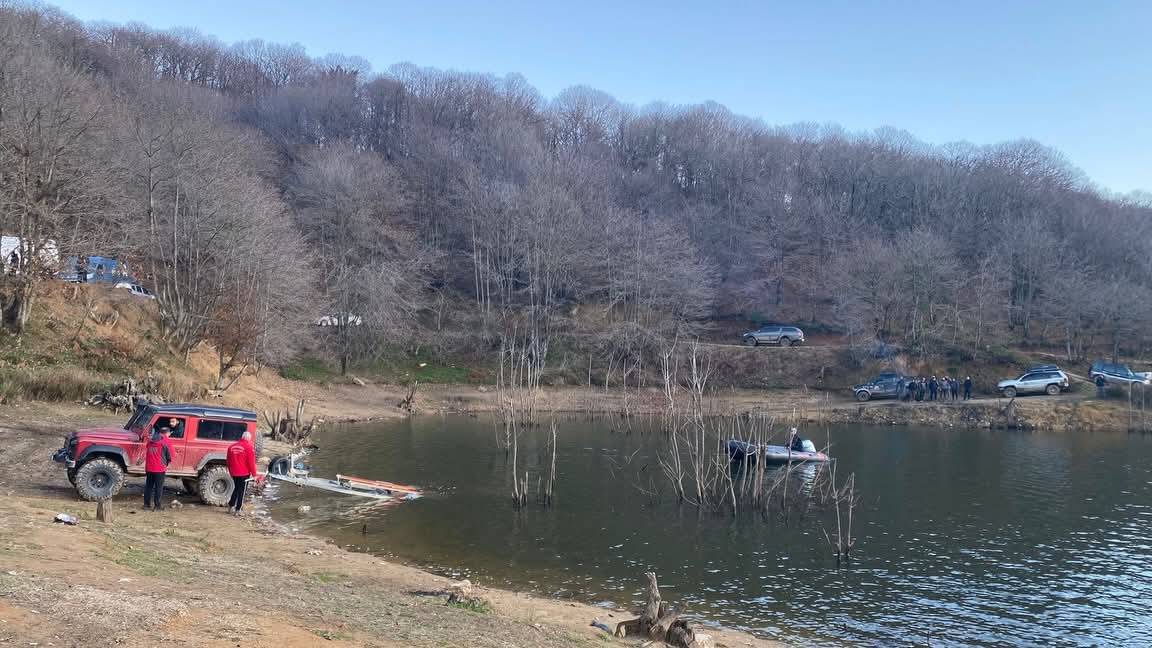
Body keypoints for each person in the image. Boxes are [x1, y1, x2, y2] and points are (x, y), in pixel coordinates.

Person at [226, 431, 259, 515]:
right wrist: (254, 475)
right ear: (248, 438)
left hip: (234, 473)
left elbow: (228, 461)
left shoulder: (231, 447)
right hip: (244, 474)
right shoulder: (249, 447)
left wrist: (230, 472)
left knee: (236, 488)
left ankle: (231, 506)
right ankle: (238, 510)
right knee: (242, 491)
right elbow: (251, 463)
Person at [143, 426, 173, 511]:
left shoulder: (150, 441)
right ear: (167, 433)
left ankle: (146, 505)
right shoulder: (166, 441)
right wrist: (167, 463)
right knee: (158, 488)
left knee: (148, 486)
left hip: (149, 467)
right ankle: (157, 506)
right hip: (159, 468)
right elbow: (169, 456)